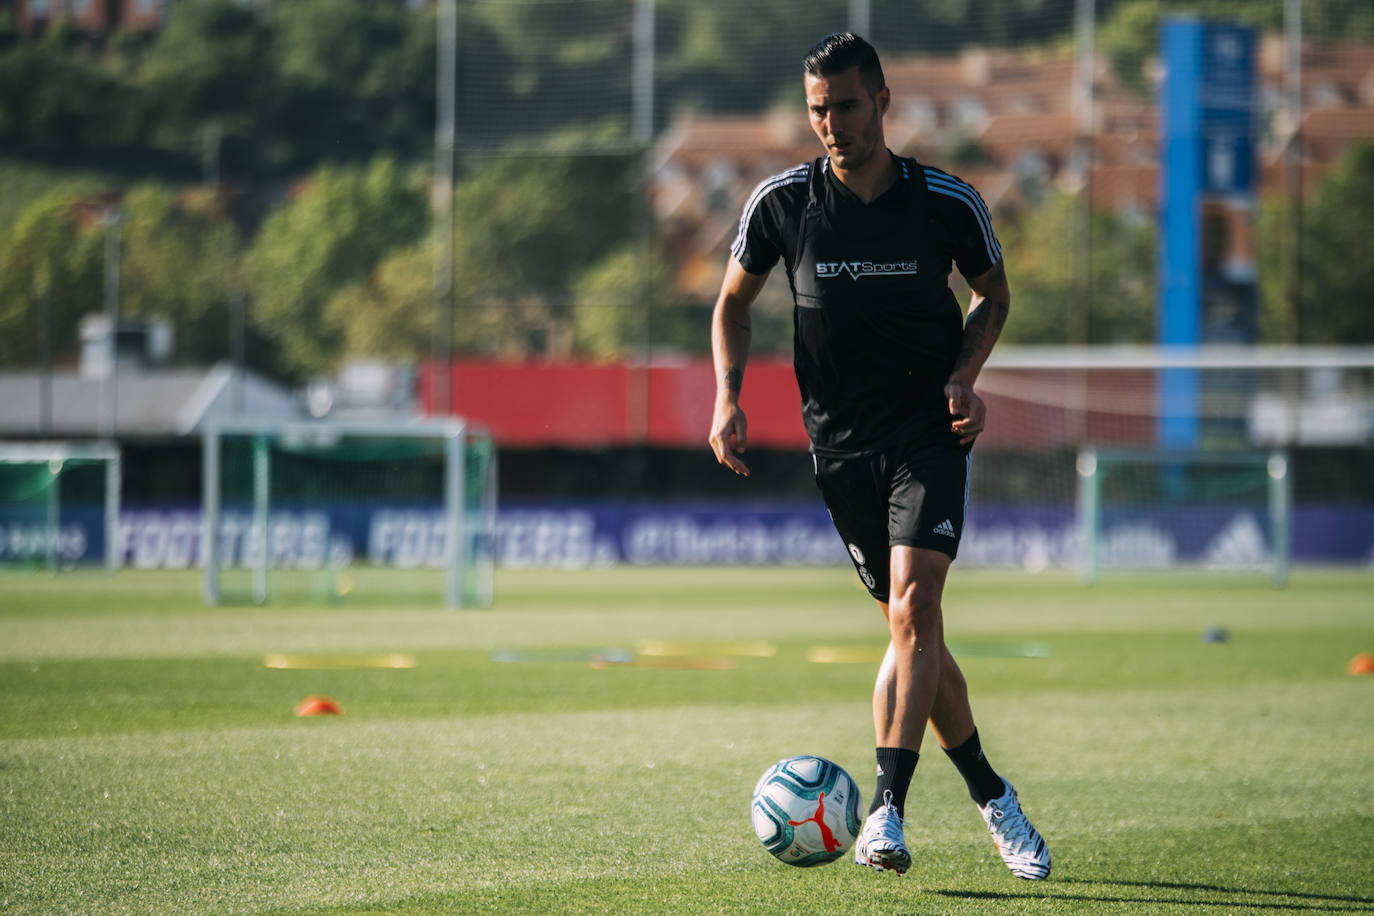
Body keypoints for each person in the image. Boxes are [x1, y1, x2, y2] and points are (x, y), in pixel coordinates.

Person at [707, 32, 1050, 880]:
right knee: (914, 635)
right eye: (819, 109)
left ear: (884, 102)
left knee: (912, 608)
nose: (832, 124)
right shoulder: (781, 204)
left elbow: (993, 295)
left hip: (928, 433)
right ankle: (994, 795)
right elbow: (731, 305)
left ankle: (886, 811)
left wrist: (966, 377)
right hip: (840, 450)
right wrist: (728, 394)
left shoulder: (945, 202)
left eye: (848, 106)